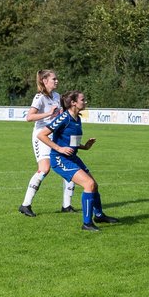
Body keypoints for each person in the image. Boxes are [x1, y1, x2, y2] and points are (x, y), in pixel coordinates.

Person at [37, 90, 117, 231]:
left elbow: (71, 141)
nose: (85, 102)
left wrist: (85, 147)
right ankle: (87, 223)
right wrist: (59, 149)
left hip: (72, 157)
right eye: (83, 99)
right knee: (89, 184)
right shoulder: (64, 118)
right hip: (60, 159)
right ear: (73, 103)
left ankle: (99, 215)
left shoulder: (77, 118)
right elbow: (42, 135)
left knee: (94, 186)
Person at [19, 69, 75, 217]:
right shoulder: (39, 97)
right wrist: (49, 113)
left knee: (68, 167)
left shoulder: (57, 96)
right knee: (44, 169)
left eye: (56, 79)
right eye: (54, 79)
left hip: (55, 135)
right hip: (41, 136)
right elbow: (29, 117)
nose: (57, 81)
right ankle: (25, 205)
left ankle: (67, 205)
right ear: (45, 81)